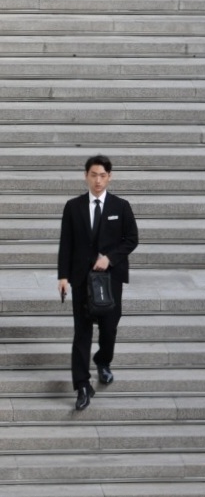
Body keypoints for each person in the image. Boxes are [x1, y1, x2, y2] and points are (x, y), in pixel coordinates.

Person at [57, 155, 139, 412]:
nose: (98, 180)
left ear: (110, 177)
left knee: (109, 328)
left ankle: (103, 361)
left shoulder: (121, 206)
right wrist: (63, 277)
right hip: (82, 278)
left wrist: (109, 258)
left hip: (110, 278)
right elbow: (66, 243)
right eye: (93, 175)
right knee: (81, 332)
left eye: (103, 175)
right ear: (86, 176)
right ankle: (82, 385)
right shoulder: (73, 207)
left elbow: (132, 239)